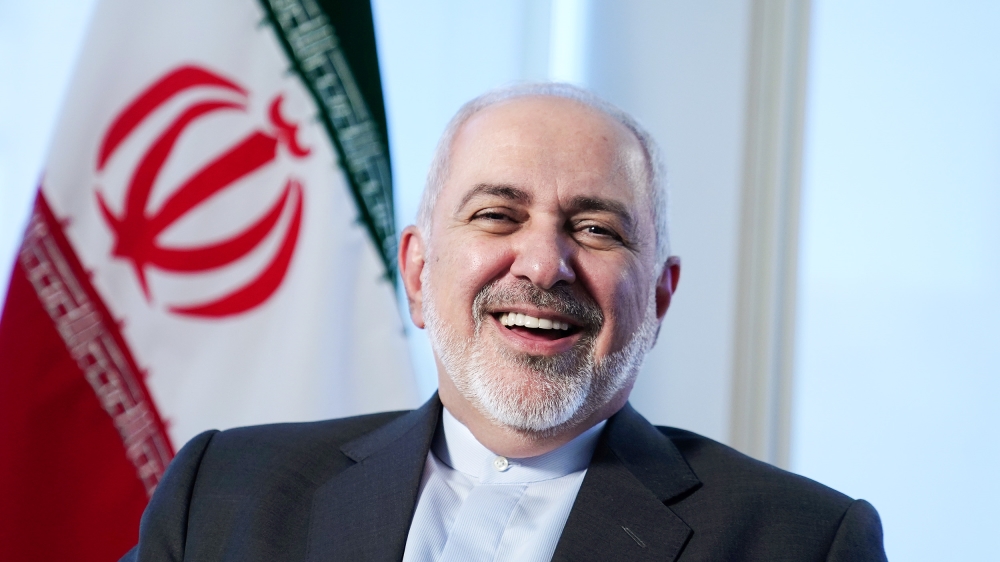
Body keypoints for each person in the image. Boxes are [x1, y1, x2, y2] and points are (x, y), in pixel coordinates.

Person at [122, 84, 887, 561]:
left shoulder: (802, 541)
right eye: (497, 215)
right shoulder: (222, 493)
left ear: (659, 299)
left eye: (596, 229)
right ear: (418, 273)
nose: (544, 265)